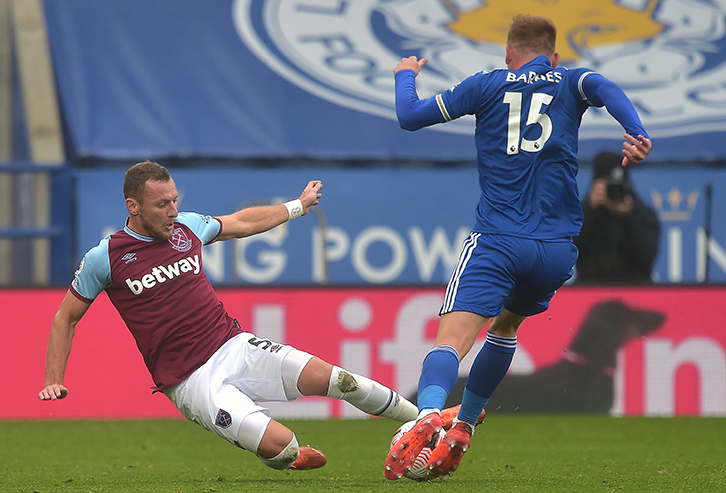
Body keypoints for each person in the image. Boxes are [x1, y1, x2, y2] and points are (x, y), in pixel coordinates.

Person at [38, 160, 463, 472]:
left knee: (338, 379)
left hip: (234, 345)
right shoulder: (106, 258)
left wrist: (296, 205)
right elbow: (65, 318)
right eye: (161, 204)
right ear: (133, 206)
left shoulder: (186, 227)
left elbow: (240, 222)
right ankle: (287, 457)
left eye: (174, 200)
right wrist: (54, 379)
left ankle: (425, 420)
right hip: (189, 380)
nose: (171, 211)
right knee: (282, 449)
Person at [385, 14, 652, 480]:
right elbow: (606, 88)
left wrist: (406, 75)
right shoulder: (571, 80)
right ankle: (464, 424)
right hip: (554, 251)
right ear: (554, 55)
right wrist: (635, 130)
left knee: (451, 339)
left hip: (499, 240)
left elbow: (409, 117)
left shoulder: (486, 84)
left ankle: (428, 414)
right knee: (505, 329)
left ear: (508, 54)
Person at [574, 151, 660, 284]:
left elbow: (648, 255)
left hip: (635, 288)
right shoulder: (581, 213)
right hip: (590, 287)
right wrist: (590, 209)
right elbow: (571, 248)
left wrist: (629, 216)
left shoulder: (642, 214)